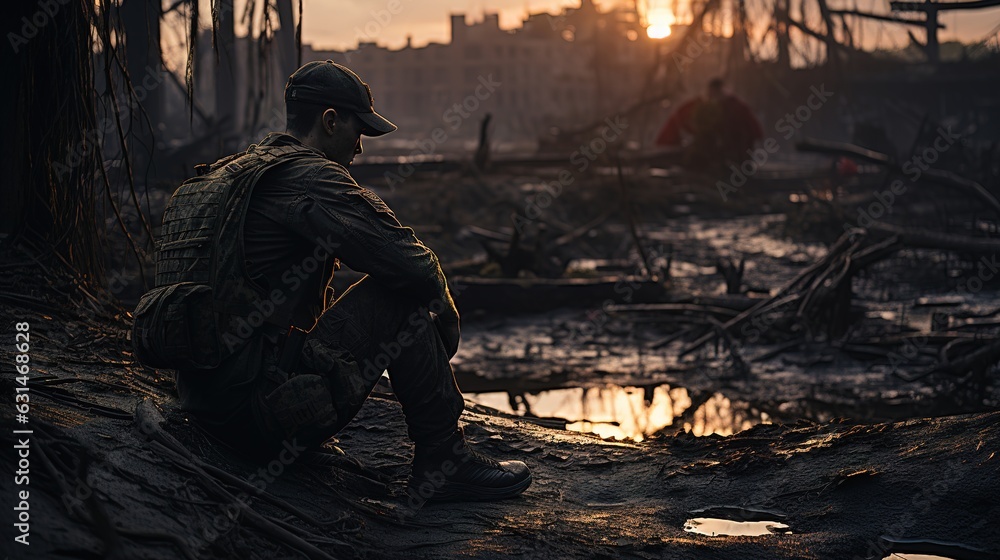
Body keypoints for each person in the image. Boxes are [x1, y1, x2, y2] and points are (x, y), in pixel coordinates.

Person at [138, 60, 531, 504]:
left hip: (203, 404)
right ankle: (445, 462)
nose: (360, 149)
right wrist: (445, 305)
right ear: (329, 121)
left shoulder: (228, 176)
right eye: (357, 131)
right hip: (254, 419)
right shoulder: (309, 175)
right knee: (397, 295)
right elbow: (409, 263)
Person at [655, 77, 763, 170]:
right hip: (714, 152)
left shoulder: (736, 107)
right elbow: (683, 122)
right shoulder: (701, 106)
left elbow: (754, 131)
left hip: (735, 153)